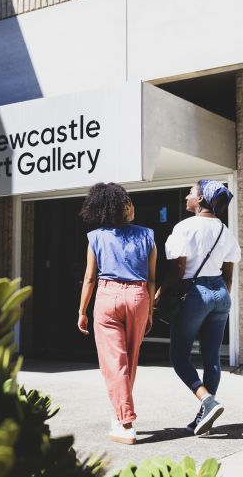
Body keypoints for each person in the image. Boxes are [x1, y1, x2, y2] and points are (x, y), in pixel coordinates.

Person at [155, 180, 240, 436]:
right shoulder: (226, 231)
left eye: (190, 193)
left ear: (200, 200)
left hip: (195, 294)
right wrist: (220, 300)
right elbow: (228, 275)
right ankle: (206, 417)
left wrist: (160, 293)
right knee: (211, 358)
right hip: (221, 293)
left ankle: (207, 401)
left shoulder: (185, 227)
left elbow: (179, 270)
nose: (186, 198)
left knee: (179, 356)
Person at [77, 182, 157, 445]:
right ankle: (120, 413)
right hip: (138, 297)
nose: (131, 206)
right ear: (120, 208)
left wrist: (82, 311)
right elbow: (152, 279)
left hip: (107, 296)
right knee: (128, 361)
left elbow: (89, 278)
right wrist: (150, 312)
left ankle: (126, 422)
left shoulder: (96, 237)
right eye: (127, 202)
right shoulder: (147, 235)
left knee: (114, 363)